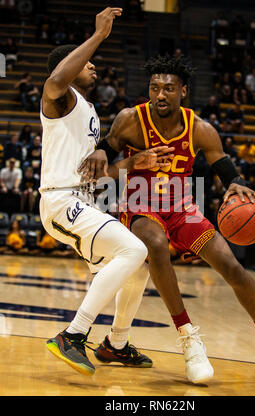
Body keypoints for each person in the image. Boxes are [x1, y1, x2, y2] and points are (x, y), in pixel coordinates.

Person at [80, 54, 255, 383]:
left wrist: (235, 184)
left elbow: (225, 168)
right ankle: (189, 339)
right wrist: (100, 150)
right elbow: (107, 150)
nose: (160, 95)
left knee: (231, 265)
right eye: (154, 88)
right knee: (154, 244)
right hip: (140, 204)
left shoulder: (201, 129)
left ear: (183, 91)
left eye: (168, 88)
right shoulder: (130, 120)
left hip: (183, 208)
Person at [39, 8, 174, 376]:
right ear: (71, 65)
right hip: (60, 200)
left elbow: (96, 178)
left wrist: (137, 163)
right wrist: (98, 35)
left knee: (137, 267)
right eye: (87, 64)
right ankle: (73, 334)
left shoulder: (89, 111)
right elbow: (55, 79)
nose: (94, 68)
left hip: (80, 199)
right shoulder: (59, 98)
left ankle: (116, 343)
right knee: (135, 247)